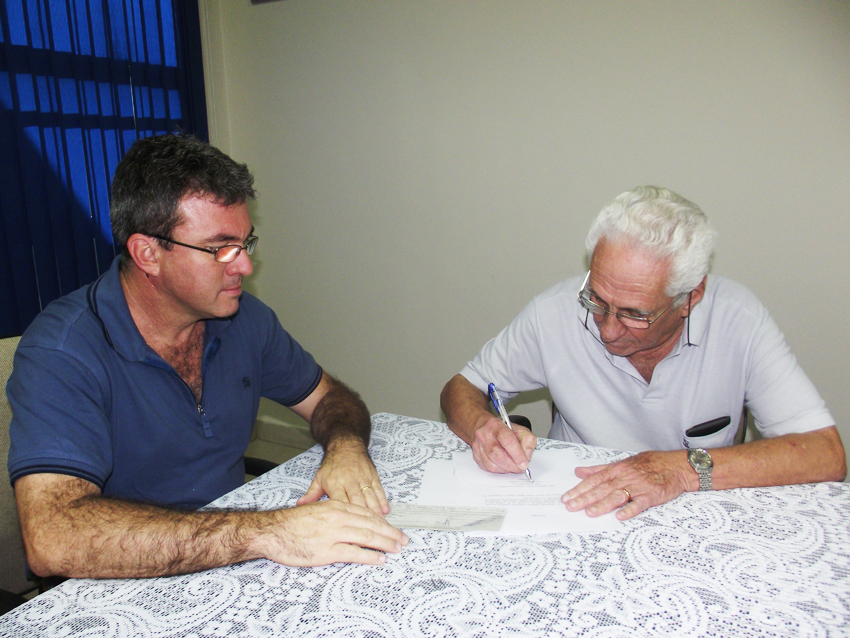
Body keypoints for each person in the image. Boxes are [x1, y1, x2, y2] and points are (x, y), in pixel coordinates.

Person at [7, 134, 408, 579]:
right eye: (220, 248)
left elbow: (329, 398)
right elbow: (53, 538)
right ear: (148, 253)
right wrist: (267, 532)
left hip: (227, 561)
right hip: (119, 581)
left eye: (244, 243)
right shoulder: (62, 351)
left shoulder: (242, 319)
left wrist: (346, 445)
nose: (244, 266)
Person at [441, 185, 845, 521]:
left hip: (695, 515)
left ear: (690, 297)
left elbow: (825, 454)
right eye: (596, 299)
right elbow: (462, 387)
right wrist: (483, 428)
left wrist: (678, 470)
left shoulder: (739, 320)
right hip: (576, 508)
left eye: (635, 315)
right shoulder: (554, 311)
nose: (608, 328)